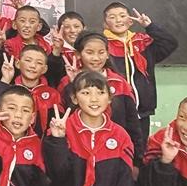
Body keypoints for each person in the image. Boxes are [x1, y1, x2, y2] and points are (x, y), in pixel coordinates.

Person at [61, 31, 145, 166]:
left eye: (101, 52)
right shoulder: (67, 82)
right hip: (79, 155)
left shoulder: (120, 83)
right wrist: (74, 84)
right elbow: (65, 117)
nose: (96, 58)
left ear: (107, 53)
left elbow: (133, 123)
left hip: (114, 153)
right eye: (89, 52)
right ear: (78, 54)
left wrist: (137, 162)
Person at [102, 2, 178, 140]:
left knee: (140, 147)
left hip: (142, 111)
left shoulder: (143, 42)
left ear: (130, 21)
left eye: (122, 16)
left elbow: (170, 43)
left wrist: (149, 26)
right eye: (112, 17)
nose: (118, 20)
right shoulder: (102, 46)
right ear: (106, 24)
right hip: (115, 110)